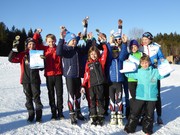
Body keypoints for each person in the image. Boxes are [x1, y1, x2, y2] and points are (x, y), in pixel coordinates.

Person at [124, 55, 169, 134]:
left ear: (149, 62)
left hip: (151, 97)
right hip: (140, 96)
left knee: (149, 114)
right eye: (143, 63)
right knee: (135, 112)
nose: (145, 64)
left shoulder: (155, 72)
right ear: (140, 64)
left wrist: (166, 67)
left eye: (146, 62)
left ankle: (147, 129)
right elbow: (127, 74)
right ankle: (129, 128)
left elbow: (165, 74)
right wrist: (127, 63)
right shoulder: (138, 71)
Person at [8, 37, 43, 123]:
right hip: (25, 80)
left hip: (35, 80)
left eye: (33, 44)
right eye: (30, 44)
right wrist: (14, 49)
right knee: (28, 99)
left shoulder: (37, 54)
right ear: (27, 45)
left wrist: (43, 60)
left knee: (37, 98)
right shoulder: (23, 54)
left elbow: (41, 68)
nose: (32, 45)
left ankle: (39, 116)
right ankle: (31, 115)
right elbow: (11, 59)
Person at [56, 27, 86, 124]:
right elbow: (58, 52)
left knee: (78, 95)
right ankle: (72, 114)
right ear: (67, 41)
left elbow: (78, 39)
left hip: (77, 76)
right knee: (71, 95)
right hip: (69, 76)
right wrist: (61, 39)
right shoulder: (65, 49)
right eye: (72, 41)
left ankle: (78, 112)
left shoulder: (76, 49)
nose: (74, 42)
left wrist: (81, 33)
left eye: (74, 41)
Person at [33, 30, 64, 120]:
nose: (51, 43)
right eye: (49, 41)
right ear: (46, 41)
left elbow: (64, 43)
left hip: (58, 74)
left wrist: (63, 33)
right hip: (49, 75)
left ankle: (60, 112)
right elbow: (35, 43)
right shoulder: (44, 49)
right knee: (51, 94)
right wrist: (37, 34)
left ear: (55, 40)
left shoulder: (58, 48)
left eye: (53, 41)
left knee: (59, 94)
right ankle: (53, 113)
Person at [80, 33, 108, 126]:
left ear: (97, 54)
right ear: (89, 55)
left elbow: (105, 51)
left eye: (95, 54)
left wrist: (103, 42)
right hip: (90, 86)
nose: (93, 55)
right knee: (92, 101)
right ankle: (93, 117)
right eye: (92, 54)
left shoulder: (101, 61)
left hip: (100, 85)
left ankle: (100, 116)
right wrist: (83, 85)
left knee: (100, 100)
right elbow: (86, 74)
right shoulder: (88, 63)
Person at [139, 32, 165, 124]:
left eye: (146, 39)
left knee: (156, 94)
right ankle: (146, 115)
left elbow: (162, 57)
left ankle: (159, 116)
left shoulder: (156, 47)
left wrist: (159, 62)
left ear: (150, 39)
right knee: (145, 94)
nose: (144, 41)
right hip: (145, 74)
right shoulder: (141, 48)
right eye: (143, 39)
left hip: (154, 73)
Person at [106, 34, 128, 125]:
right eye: (113, 52)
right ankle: (113, 116)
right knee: (112, 100)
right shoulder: (109, 60)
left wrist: (125, 43)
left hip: (119, 83)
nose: (115, 53)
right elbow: (108, 51)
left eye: (116, 52)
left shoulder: (120, 59)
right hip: (111, 83)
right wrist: (110, 43)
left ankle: (119, 116)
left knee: (119, 99)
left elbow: (123, 52)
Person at [113, 19, 130, 118]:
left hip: (125, 74)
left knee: (127, 94)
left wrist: (120, 27)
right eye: (117, 39)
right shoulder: (113, 48)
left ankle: (128, 110)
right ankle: (117, 110)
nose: (119, 40)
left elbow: (126, 55)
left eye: (120, 39)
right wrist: (119, 27)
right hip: (117, 75)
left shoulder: (124, 47)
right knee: (118, 94)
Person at [127, 39, 143, 118]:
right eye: (132, 46)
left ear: (138, 46)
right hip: (131, 79)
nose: (133, 48)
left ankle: (140, 114)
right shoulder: (129, 55)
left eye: (135, 46)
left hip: (140, 79)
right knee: (133, 98)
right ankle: (134, 115)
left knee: (139, 97)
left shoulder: (141, 54)